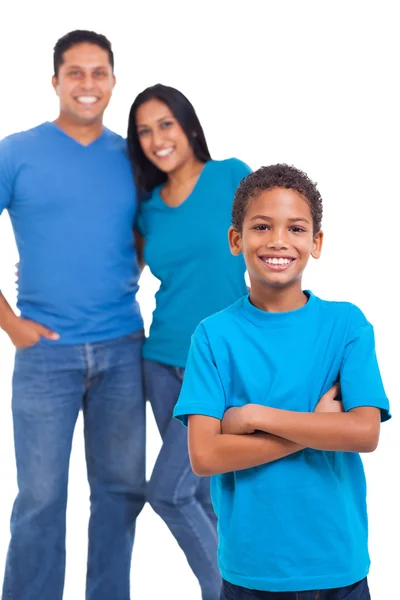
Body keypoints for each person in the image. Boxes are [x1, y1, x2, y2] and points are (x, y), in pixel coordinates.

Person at [173, 163, 390, 600]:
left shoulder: (346, 325)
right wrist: (319, 428)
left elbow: (364, 433)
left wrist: (254, 416)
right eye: (261, 226)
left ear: (316, 242)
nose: (277, 241)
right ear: (236, 240)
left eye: (295, 228)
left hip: (337, 565)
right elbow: (205, 454)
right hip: (251, 571)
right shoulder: (214, 336)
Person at [0, 30, 145, 600]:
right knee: (39, 498)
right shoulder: (15, 151)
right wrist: (10, 323)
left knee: (119, 492)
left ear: (112, 81)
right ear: (55, 81)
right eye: (76, 73)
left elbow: (145, 231)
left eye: (99, 72)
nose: (88, 84)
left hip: (123, 348)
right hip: (45, 354)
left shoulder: (132, 157)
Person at [127, 83, 251, 600]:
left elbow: (277, 249)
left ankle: (227, 591)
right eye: (144, 131)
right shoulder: (148, 207)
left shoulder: (231, 176)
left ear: (189, 125)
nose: (157, 138)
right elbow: (120, 272)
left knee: (170, 493)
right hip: (160, 365)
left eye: (166, 124)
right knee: (199, 493)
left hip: (219, 367)